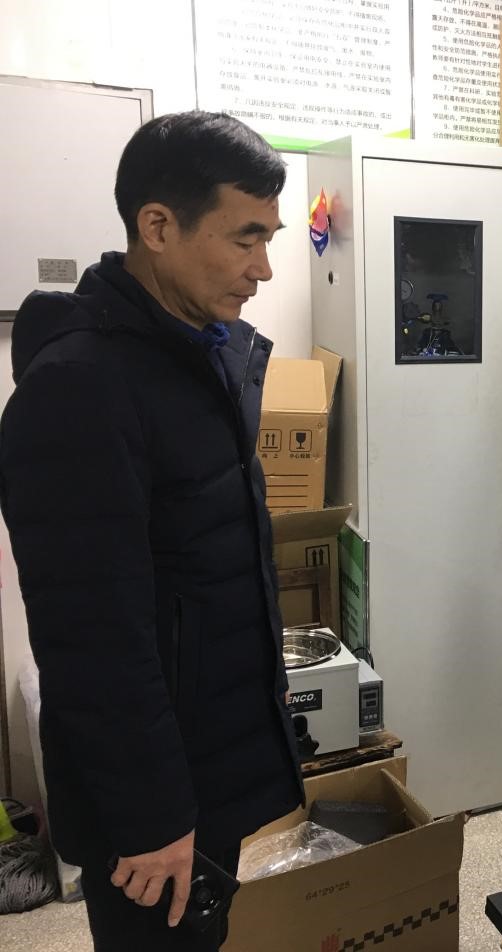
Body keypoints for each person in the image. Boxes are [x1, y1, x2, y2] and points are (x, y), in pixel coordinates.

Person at [0, 112, 303, 950]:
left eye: (270, 238)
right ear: (158, 226)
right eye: (245, 238)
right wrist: (151, 817)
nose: (263, 268)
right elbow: (91, 634)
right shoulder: (81, 386)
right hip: (152, 801)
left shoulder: (198, 356)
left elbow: (213, 564)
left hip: (207, 757)